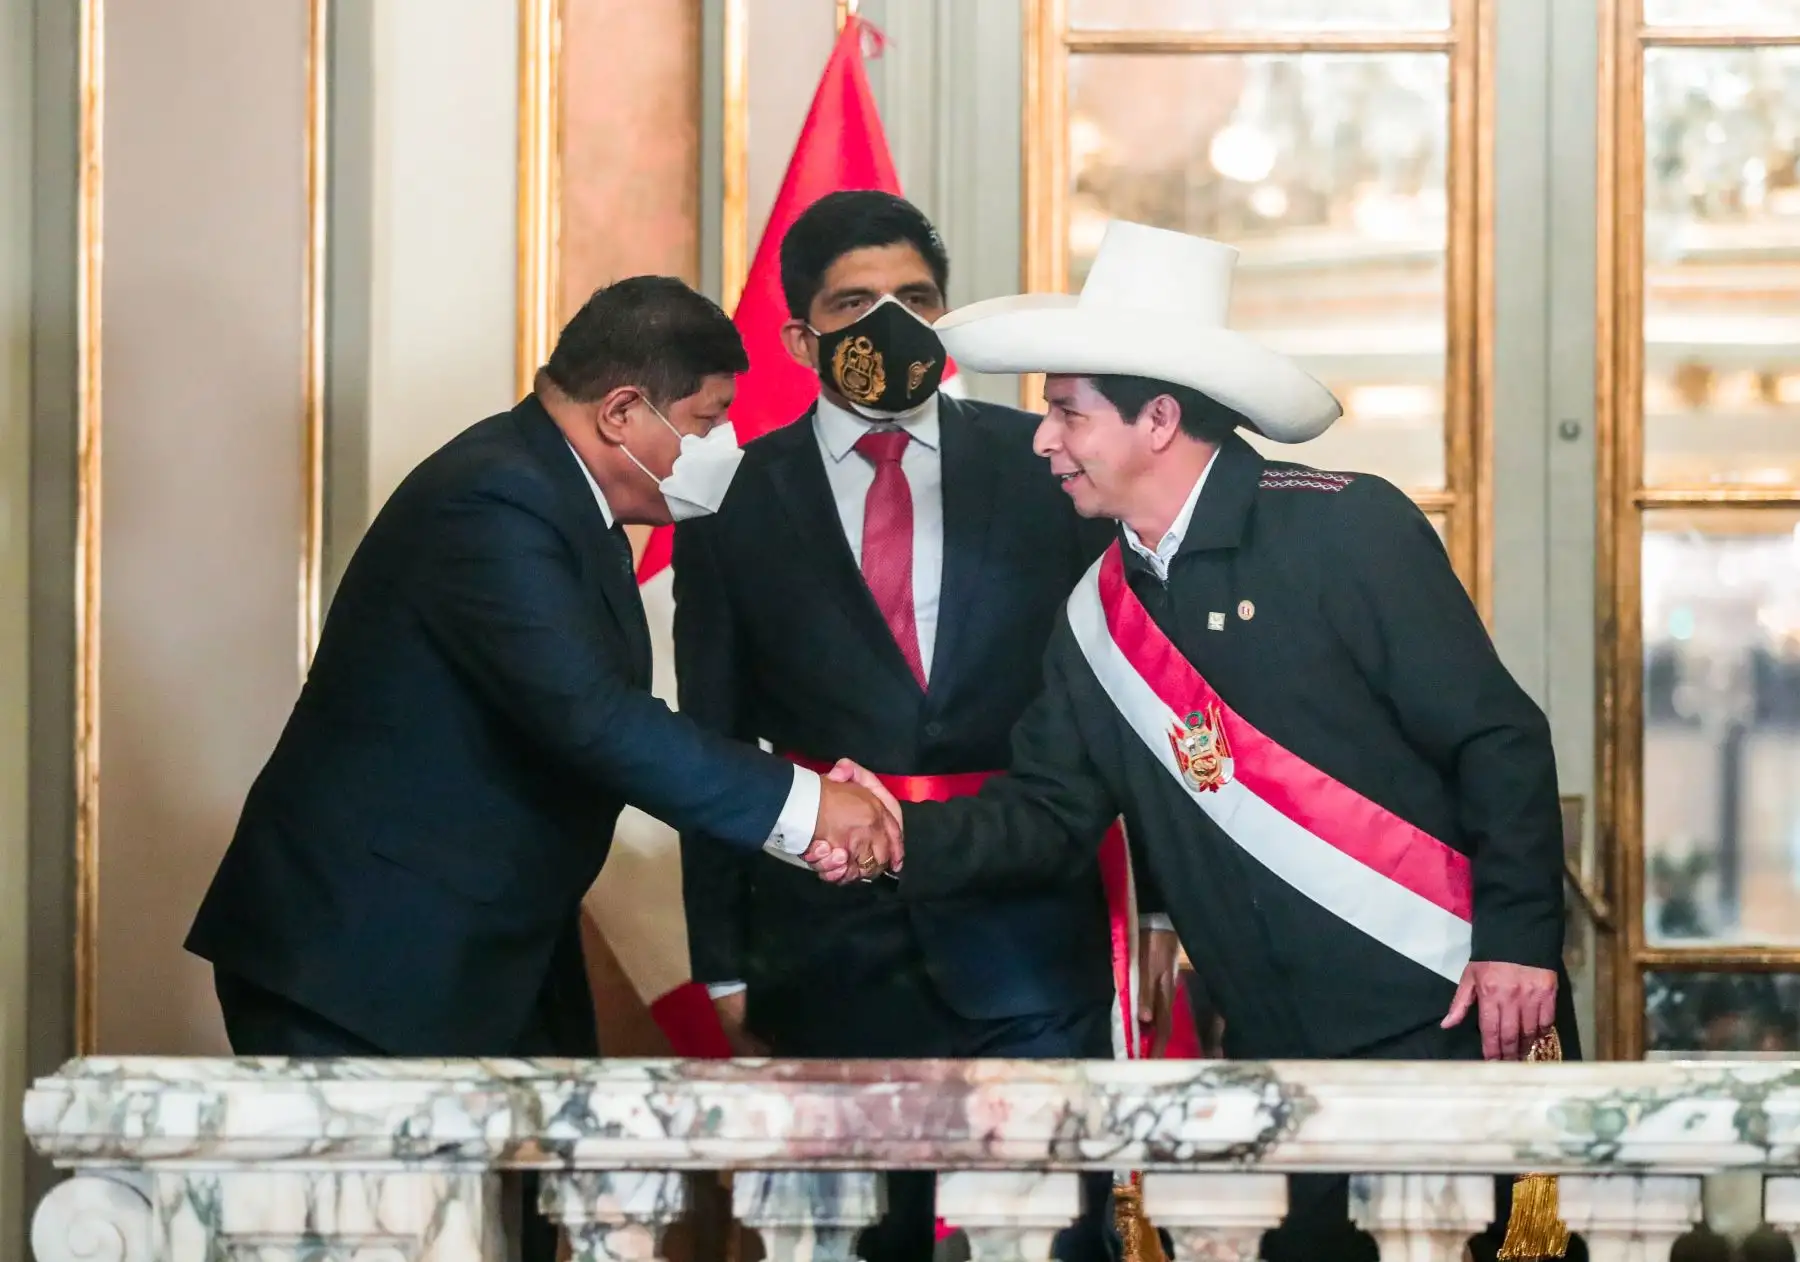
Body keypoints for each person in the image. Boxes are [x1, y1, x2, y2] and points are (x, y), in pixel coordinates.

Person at [813, 221, 1578, 1262]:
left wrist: (1519, 943)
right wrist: (897, 833)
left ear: (1159, 420)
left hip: (1446, 1013)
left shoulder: (1346, 529)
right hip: (1274, 1057)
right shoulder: (1095, 614)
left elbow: (1498, 737)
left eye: (1068, 412)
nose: (1043, 440)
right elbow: (1045, 814)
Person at [185, 277, 898, 1256]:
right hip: (363, 964)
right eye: (706, 420)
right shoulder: (494, 498)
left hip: (480, 953)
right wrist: (809, 804)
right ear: (622, 411)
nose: (722, 446)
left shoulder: (564, 503)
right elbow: (594, 720)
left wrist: (803, 793)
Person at [673, 191, 1169, 1262]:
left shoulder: (1048, 464)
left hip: (1030, 921)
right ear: (800, 337)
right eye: (856, 304)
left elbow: (1138, 692)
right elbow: (709, 741)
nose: (891, 323)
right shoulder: (731, 498)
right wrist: (721, 962)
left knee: (1052, 1240)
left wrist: (1163, 907)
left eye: (916, 297)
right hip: (823, 937)